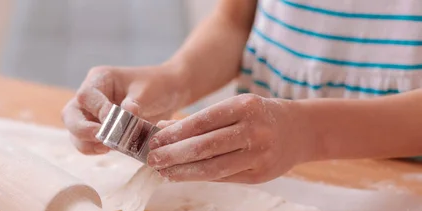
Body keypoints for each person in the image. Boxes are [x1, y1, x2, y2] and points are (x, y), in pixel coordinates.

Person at [62, 0, 422, 184]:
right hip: (273, 176)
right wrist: (175, 79)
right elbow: (236, 22)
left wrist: (309, 133)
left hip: (403, 191)